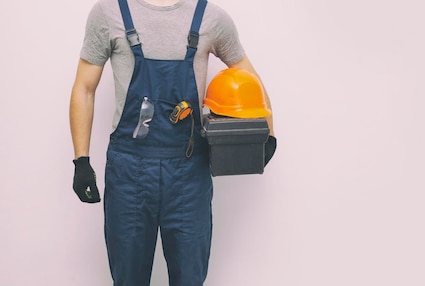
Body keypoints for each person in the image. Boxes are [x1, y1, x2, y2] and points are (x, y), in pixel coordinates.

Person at [69, 0, 276, 285]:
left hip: (188, 173)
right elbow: (84, 88)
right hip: (129, 173)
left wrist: (267, 134)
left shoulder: (211, 18)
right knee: (127, 278)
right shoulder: (109, 12)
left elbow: (249, 78)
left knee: (190, 278)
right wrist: (81, 160)